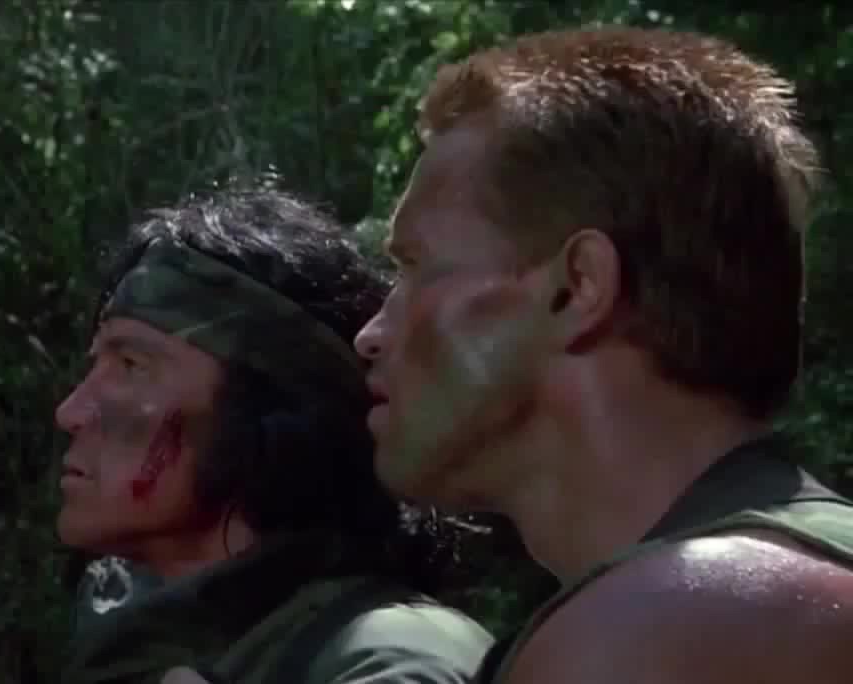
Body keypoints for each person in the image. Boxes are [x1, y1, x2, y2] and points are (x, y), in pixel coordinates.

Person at [353, 26, 853, 684]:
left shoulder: (658, 631)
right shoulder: (788, 582)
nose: (371, 334)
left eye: (416, 266)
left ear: (578, 287)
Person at [55, 186, 493, 684]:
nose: (71, 413)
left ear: (261, 407)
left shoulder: (392, 658)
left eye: (132, 365)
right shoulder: (129, 643)